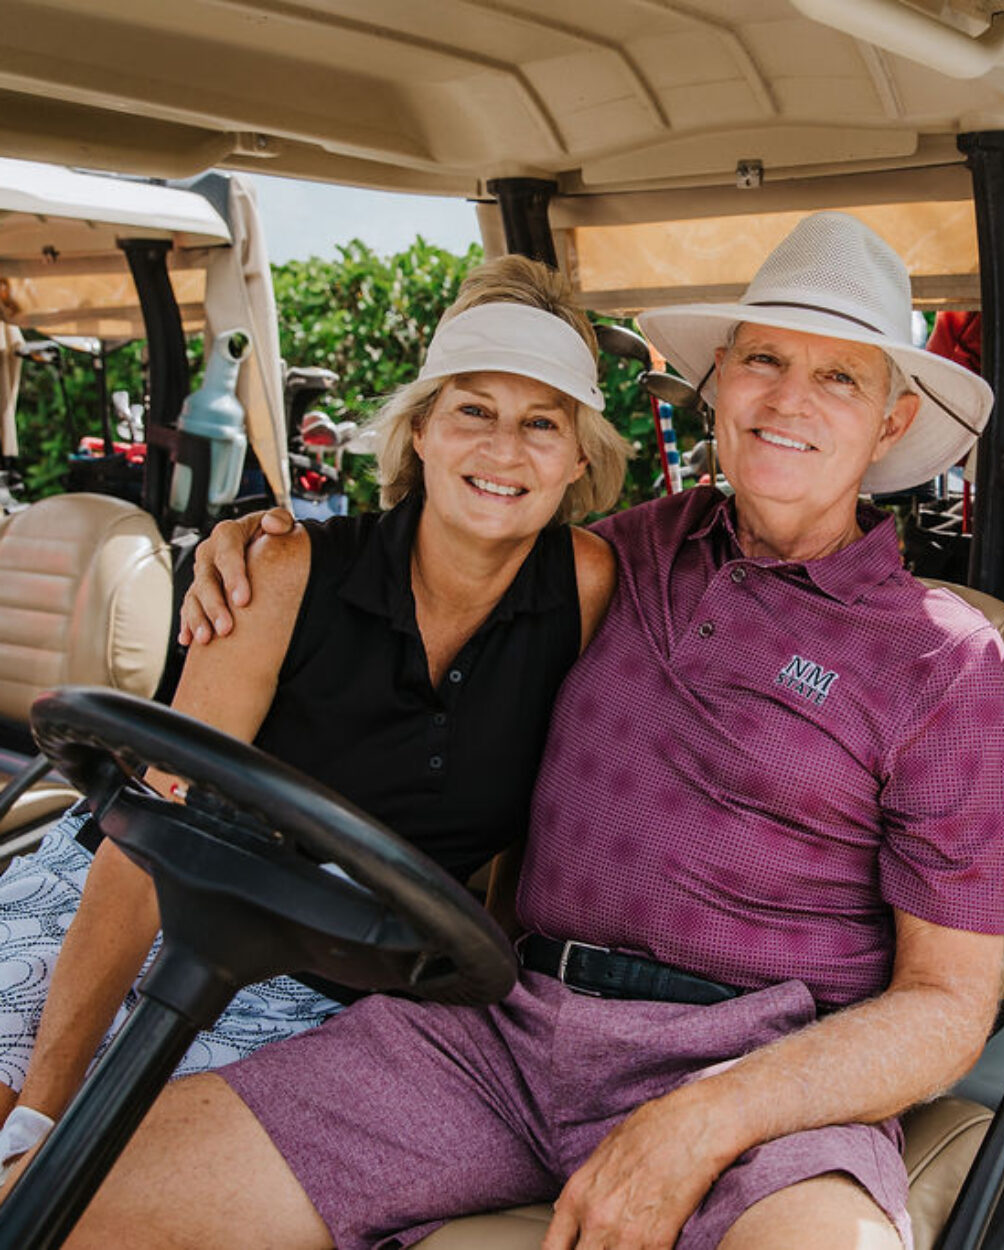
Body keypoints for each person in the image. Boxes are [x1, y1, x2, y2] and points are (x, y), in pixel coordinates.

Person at [59, 211, 1004, 1250]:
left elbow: (945, 1004)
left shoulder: (943, 658)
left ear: (892, 422)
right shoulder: (629, 554)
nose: (791, 398)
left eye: (841, 378)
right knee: (75, 1196)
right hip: (502, 1022)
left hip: (756, 1065)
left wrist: (705, 1115)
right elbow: (461, 531)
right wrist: (252, 537)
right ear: (718, 386)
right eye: (766, 361)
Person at [0, 255, 627, 1174]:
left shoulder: (587, 585)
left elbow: (519, 839)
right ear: (419, 432)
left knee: (143, 1183)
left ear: (579, 457)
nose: (505, 450)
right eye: (474, 411)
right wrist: (41, 1117)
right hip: (119, 905)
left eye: (542, 422)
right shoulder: (286, 574)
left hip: (327, 974)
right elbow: (149, 834)